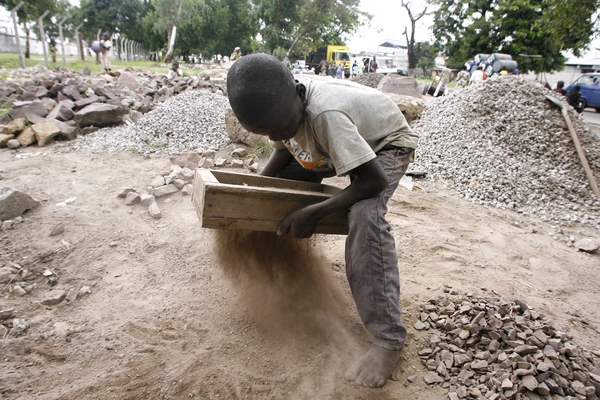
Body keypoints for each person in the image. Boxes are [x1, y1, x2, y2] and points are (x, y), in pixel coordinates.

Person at [226, 53, 418, 389]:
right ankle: (287, 286)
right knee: (280, 193)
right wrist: (257, 192)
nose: (280, 135)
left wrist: (314, 212)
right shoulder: (281, 113)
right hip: (326, 143)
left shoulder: (326, 115)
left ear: (299, 93)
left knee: (364, 215)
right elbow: (285, 148)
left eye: (283, 128)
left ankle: (388, 339)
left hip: (383, 145)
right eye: (270, 132)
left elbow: (372, 181)